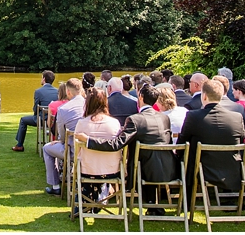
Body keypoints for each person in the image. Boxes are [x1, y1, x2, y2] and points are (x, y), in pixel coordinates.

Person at [77, 85, 177, 214]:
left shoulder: (135, 120)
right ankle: (153, 205)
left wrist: (89, 140)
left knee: (142, 161)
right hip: (168, 168)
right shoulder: (164, 118)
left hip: (142, 170)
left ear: (140, 97)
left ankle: (152, 205)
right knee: (148, 158)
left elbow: (116, 144)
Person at [178, 79, 245, 197]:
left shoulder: (193, 116)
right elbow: (240, 142)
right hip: (231, 169)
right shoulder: (237, 117)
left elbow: (182, 142)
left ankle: (189, 198)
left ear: (204, 96)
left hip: (202, 170)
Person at [72, 89, 122, 208]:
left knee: (82, 161)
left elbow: (76, 150)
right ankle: (100, 197)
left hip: (87, 171)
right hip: (112, 171)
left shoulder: (82, 123)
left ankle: (87, 202)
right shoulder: (115, 123)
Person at [43, 78, 85, 196]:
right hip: (89, 149)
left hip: (72, 151)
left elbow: (62, 136)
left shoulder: (63, 109)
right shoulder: (89, 104)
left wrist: (59, 141)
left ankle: (55, 186)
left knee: (46, 148)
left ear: (68, 91)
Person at [13, 70, 58, 152]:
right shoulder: (58, 91)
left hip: (42, 119)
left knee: (23, 120)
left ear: (44, 79)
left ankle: (19, 145)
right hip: (55, 121)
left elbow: (35, 108)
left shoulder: (38, 91)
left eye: (41, 78)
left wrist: (35, 115)